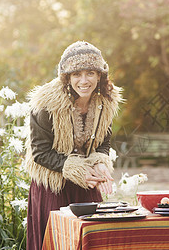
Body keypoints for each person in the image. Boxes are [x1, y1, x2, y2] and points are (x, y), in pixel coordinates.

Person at [24, 41, 123, 249]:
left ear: (99, 75)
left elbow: (103, 144)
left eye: (90, 73)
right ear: (67, 77)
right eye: (77, 74)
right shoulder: (45, 103)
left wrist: (100, 164)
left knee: (90, 242)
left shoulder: (105, 102)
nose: (84, 80)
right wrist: (75, 169)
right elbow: (40, 152)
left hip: (85, 186)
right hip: (52, 186)